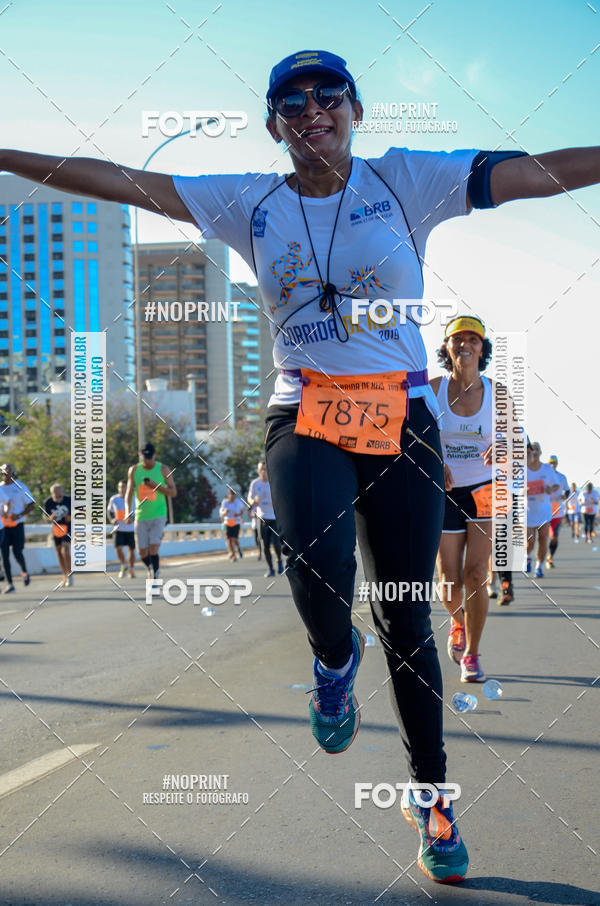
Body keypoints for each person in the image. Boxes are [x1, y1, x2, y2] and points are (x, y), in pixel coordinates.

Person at [5, 48, 600, 884]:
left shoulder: (406, 181)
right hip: (306, 411)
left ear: (356, 110)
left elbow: (533, 172)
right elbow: (121, 180)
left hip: (401, 414)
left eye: (329, 97)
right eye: (292, 102)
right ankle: (330, 662)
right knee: (319, 576)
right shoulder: (248, 200)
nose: (311, 110)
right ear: (275, 123)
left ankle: (431, 799)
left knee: (405, 624)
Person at [431, 316, 515, 685]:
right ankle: (458, 619)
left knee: (477, 574)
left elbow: (515, 443)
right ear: (447, 347)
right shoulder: (431, 390)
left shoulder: (500, 395)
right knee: (449, 581)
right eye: (457, 339)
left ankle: (473, 654)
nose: (465, 345)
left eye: (473, 340)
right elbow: (411, 436)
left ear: (483, 349)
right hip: (444, 491)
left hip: (485, 488)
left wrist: (504, 445)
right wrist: (435, 462)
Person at [125, 442, 176, 580]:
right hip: (141, 515)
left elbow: (173, 492)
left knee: (153, 548)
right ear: (140, 455)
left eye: (149, 457)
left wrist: (156, 486)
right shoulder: (134, 470)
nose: (146, 460)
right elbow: (129, 493)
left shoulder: (163, 469)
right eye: (144, 457)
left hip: (158, 514)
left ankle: (155, 574)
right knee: (142, 552)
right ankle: (151, 568)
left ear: (154, 455)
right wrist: (127, 512)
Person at [0, 464, 34, 593]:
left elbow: (31, 503)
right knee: (4, 555)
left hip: (18, 525)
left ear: (13, 473)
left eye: (8, 472)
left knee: (17, 552)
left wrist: (19, 515)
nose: (5, 474)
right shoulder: (0, 488)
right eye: (3, 472)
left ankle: (24, 571)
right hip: (4, 526)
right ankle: (10, 584)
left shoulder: (20, 486)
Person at [526, 442, 558, 576]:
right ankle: (527, 558)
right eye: (532, 449)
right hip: (527, 510)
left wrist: (551, 489)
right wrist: (523, 491)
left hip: (543, 510)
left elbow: (555, 485)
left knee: (544, 539)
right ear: (528, 451)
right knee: (530, 541)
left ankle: (539, 567)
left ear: (540, 452)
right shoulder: (521, 468)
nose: (534, 451)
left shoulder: (547, 469)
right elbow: (512, 487)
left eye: (537, 449)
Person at [248, 461, 283, 577]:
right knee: (265, 545)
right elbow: (250, 498)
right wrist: (253, 501)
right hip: (262, 518)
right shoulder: (255, 484)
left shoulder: (274, 483)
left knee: (277, 544)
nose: (263, 472)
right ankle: (271, 569)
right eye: (261, 469)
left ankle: (279, 561)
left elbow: (283, 498)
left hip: (274, 518)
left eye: (265, 469)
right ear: (258, 471)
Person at [42, 484, 72, 587]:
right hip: (56, 528)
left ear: (62, 491)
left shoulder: (69, 500)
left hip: (68, 527)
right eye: (55, 491)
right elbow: (45, 516)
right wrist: (50, 518)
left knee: (65, 550)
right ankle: (65, 575)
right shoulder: (48, 502)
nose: (57, 493)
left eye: (59, 491)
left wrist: (71, 517)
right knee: (59, 552)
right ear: (52, 493)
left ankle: (70, 574)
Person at [107, 481, 136, 578]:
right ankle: (124, 564)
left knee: (131, 550)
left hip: (130, 529)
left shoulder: (133, 498)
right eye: (120, 487)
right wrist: (112, 519)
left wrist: (133, 519)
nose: (121, 489)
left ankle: (131, 569)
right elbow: (109, 511)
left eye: (123, 487)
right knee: (118, 548)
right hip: (118, 528)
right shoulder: (114, 499)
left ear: (127, 487)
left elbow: (138, 512)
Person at [546, 455, 569, 567]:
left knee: (554, 536)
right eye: (550, 462)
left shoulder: (562, 477)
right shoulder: (544, 476)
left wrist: (565, 496)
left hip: (558, 511)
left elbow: (568, 490)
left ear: (557, 463)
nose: (552, 464)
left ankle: (550, 557)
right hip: (544, 510)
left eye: (554, 462)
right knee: (542, 536)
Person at [219, 488, 245, 561]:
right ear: (228, 495)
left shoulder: (238, 502)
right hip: (227, 522)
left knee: (235, 539)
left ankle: (238, 548)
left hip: (236, 522)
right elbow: (221, 513)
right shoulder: (225, 502)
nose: (232, 496)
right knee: (228, 539)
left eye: (234, 495)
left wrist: (239, 515)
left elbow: (243, 510)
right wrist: (225, 512)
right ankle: (233, 555)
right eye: (231, 495)